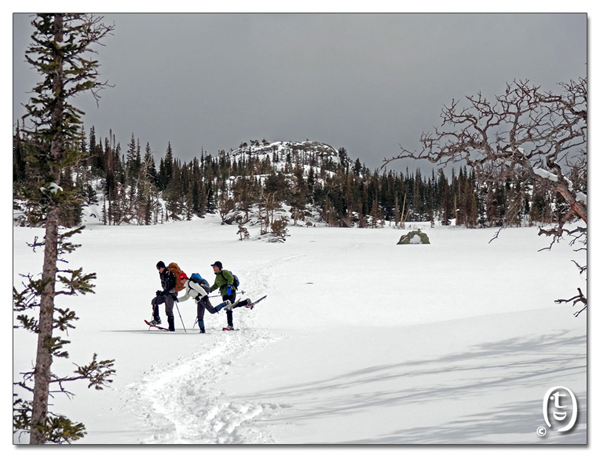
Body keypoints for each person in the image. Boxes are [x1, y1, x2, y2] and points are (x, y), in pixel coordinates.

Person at [210, 261, 253, 330]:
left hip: (230, 291)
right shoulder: (217, 276)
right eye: (213, 267)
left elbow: (230, 278)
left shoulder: (224, 272)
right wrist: (210, 290)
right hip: (224, 294)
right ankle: (246, 302)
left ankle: (230, 325)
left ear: (218, 267)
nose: (213, 268)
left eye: (214, 266)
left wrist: (229, 286)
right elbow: (216, 285)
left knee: (229, 307)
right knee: (230, 307)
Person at [150, 261, 178, 331]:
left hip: (171, 294)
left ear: (163, 267)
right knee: (154, 301)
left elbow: (171, 286)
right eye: (157, 268)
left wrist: (163, 292)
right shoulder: (162, 274)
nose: (158, 270)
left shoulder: (169, 273)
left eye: (159, 268)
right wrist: (161, 292)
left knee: (168, 310)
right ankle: (157, 319)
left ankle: (171, 327)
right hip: (165, 293)